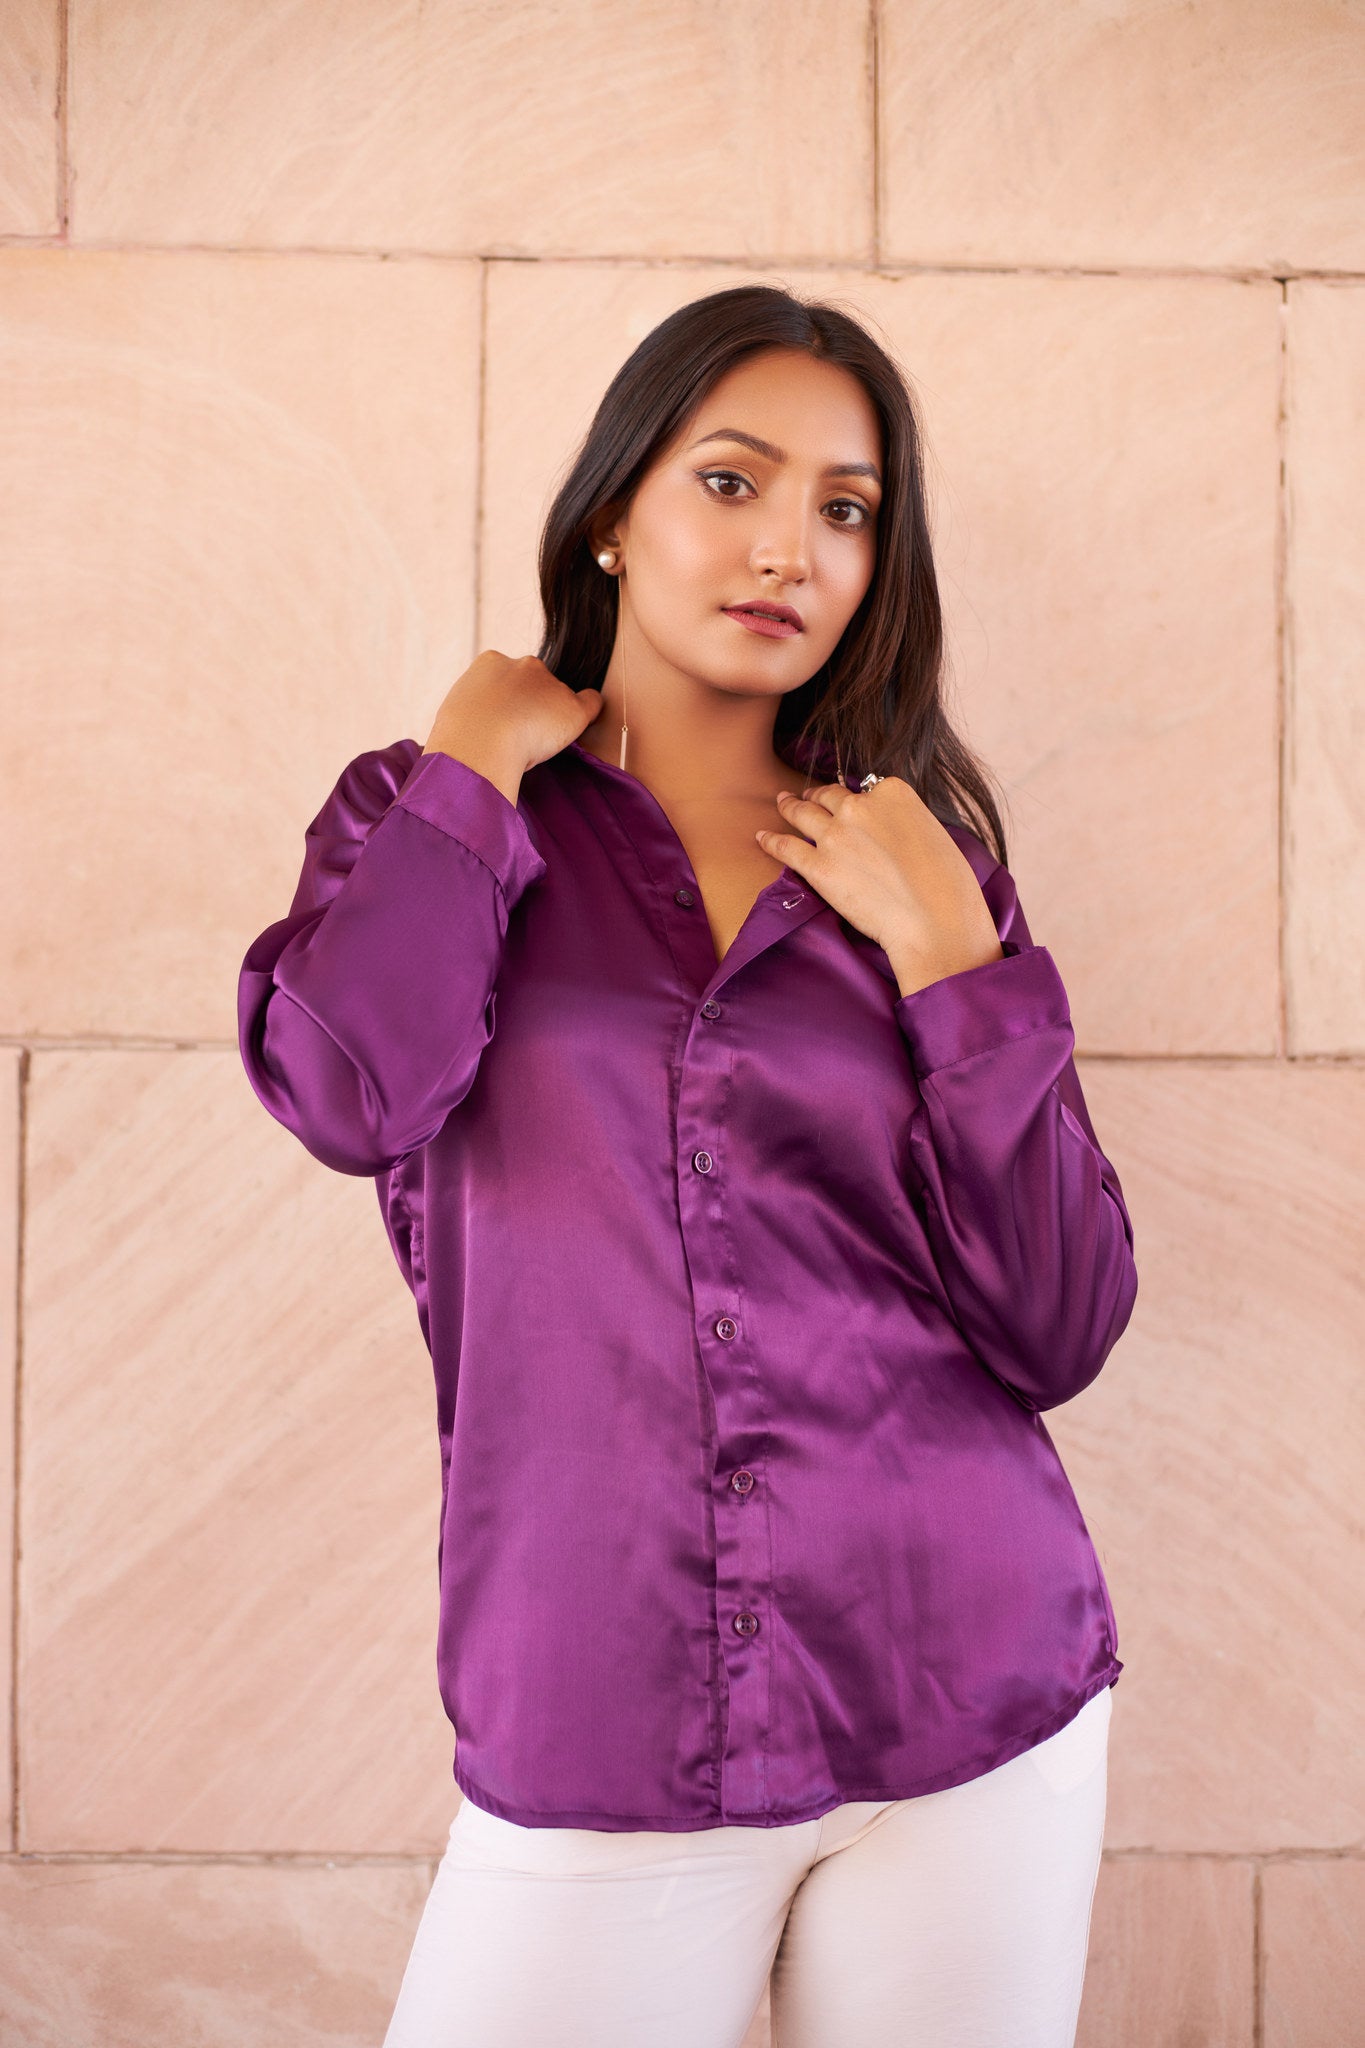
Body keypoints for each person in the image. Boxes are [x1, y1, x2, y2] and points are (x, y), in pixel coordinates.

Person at [237, 284, 1138, 2047]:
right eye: (731, 482)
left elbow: (1061, 1322)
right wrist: (473, 764)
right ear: (611, 511)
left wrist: (955, 959)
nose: (787, 547)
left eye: (844, 509)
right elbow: (347, 1091)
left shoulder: (918, 867)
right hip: (604, 1706)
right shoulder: (426, 817)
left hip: (968, 1689)